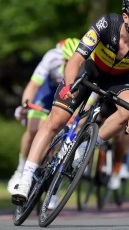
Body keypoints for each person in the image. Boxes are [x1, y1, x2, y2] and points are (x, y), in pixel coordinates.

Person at [11, 0, 129, 206]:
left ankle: (88, 144)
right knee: (56, 120)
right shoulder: (106, 24)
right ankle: (25, 178)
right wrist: (70, 85)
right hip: (89, 70)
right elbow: (74, 60)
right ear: (126, 17)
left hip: (120, 79)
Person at [7, 38, 80, 194]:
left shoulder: (85, 64)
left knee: (62, 130)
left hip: (68, 93)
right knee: (33, 128)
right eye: (67, 61)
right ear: (62, 58)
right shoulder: (52, 57)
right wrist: (25, 105)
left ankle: (52, 177)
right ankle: (20, 170)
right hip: (47, 92)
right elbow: (33, 85)